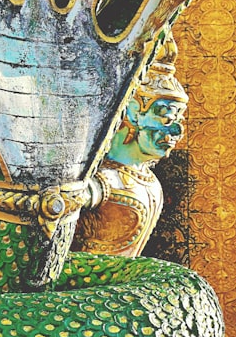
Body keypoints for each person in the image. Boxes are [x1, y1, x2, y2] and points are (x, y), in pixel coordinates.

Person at [75, 38, 187, 257]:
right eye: (164, 118)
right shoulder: (104, 182)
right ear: (133, 112)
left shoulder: (149, 181)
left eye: (178, 121)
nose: (175, 132)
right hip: (88, 281)